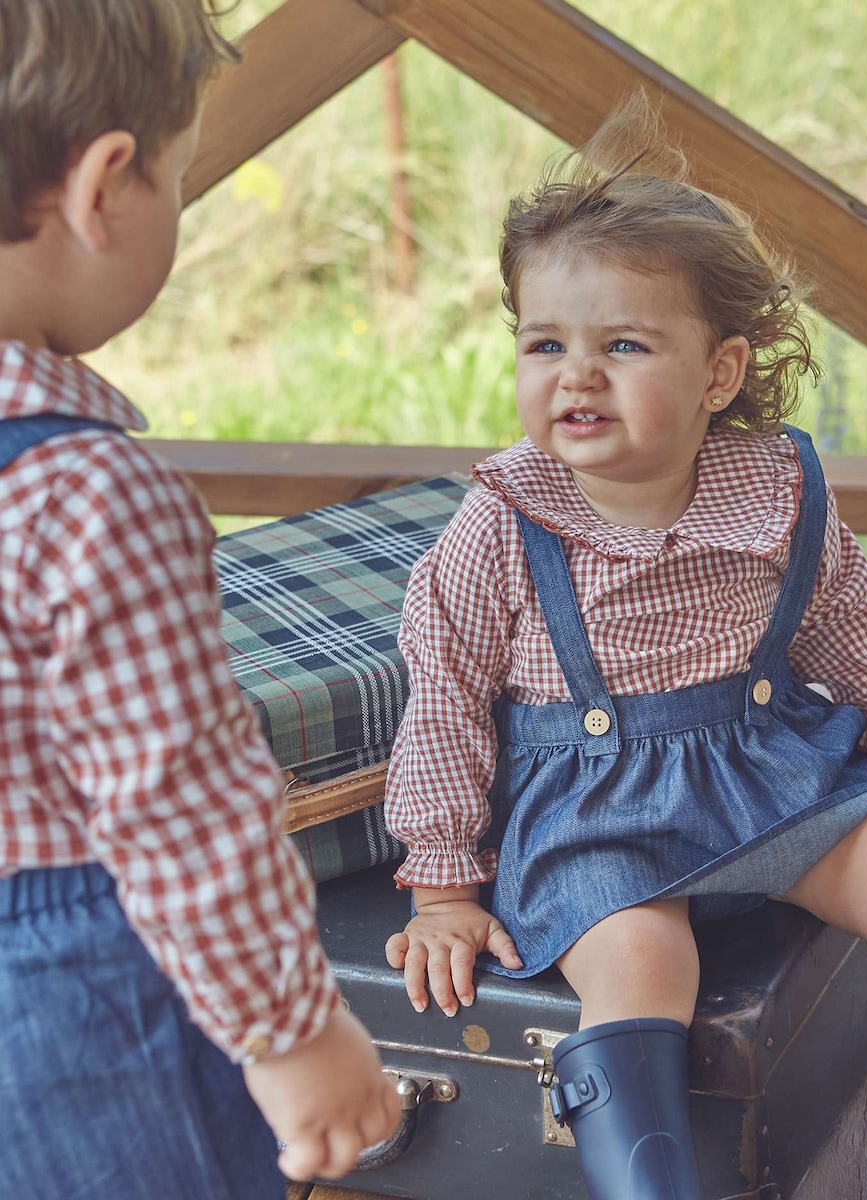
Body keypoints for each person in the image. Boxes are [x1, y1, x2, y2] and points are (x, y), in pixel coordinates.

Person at [382, 92, 867, 1200]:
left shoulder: (773, 492)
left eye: (624, 344)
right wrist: (444, 885)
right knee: (646, 968)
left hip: (765, 773)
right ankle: (652, 1185)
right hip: (597, 814)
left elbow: (836, 611)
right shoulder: (503, 523)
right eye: (544, 343)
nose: (575, 374)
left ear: (718, 375)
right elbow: (445, 701)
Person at [0, 3, 399, 1197]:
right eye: (176, 174)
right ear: (106, 186)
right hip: (79, 1009)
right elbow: (180, 812)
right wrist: (296, 1033)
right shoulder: (84, 494)